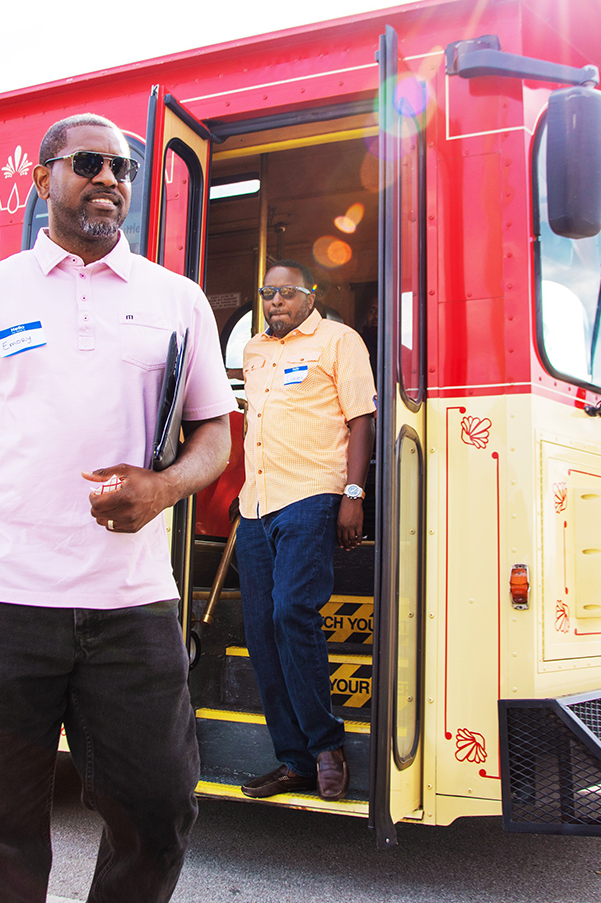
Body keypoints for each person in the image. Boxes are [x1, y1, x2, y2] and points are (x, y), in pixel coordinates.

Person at [0, 113, 236, 903]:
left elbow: (216, 435)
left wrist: (165, 487)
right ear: (42, 180)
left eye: (124, 167)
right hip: (2, 604)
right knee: (1, 834)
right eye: (88, 163)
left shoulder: (177, 300)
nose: (109, 178)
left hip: (131, 607)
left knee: (161, 808)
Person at [236, 260, 376, 801]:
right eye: (268, 293)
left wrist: (353, 495)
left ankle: (326, 745)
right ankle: (293, 760)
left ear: (309, 296)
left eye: (286, 293)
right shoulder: (254, 351)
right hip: (255, 508)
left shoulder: (341, 342)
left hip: (312, 497)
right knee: (262, 632)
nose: (275, 302)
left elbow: (359, 419)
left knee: (292, 613)